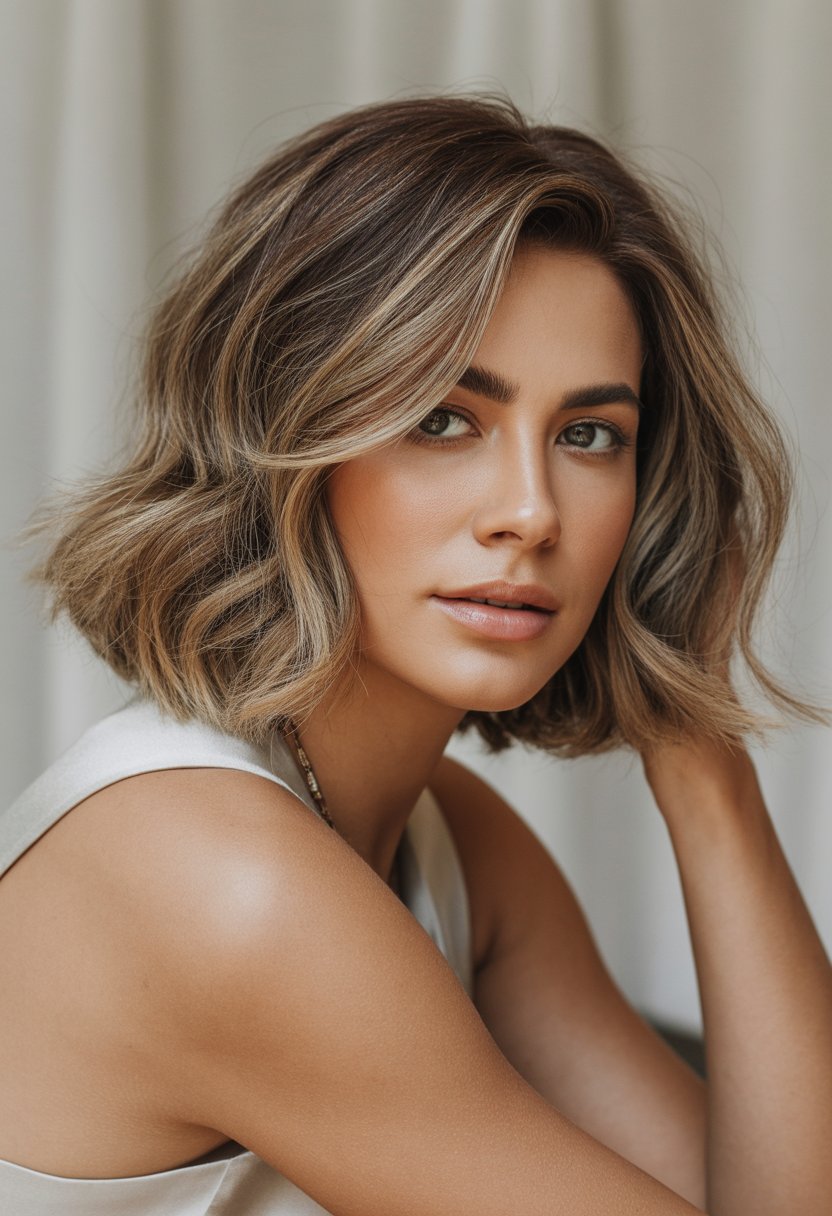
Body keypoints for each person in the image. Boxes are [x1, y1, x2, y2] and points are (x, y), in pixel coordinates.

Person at [0, 94, 829, 1216]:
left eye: (590, 435)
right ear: (290, 437)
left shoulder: (452, 844)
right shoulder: (214, 876)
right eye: (443, 418)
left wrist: (702, 757)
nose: (531, 513)